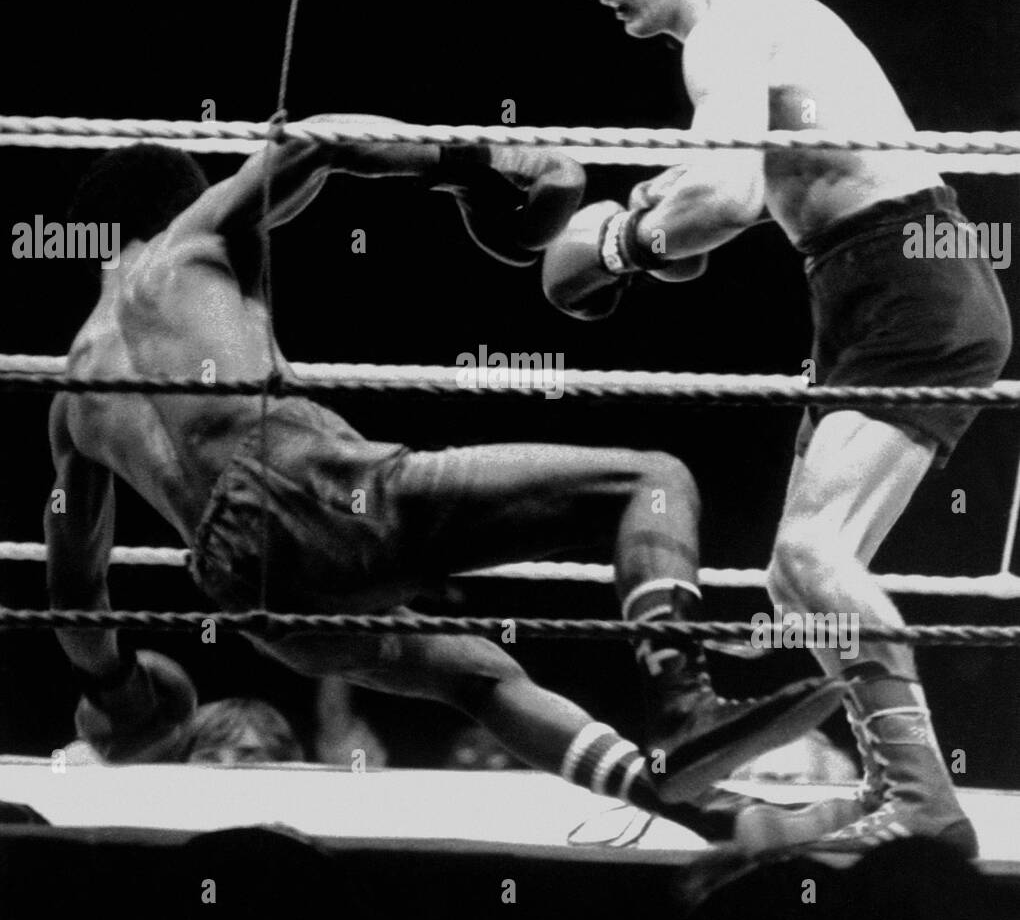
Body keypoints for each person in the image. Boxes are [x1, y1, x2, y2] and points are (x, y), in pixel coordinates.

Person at [45, 124, 841, 840]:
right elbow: (313, 145)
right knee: (654, 482)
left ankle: (688, 804)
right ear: (183, 200)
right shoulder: (189, 241)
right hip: (317, 490)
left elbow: (75, 588)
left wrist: (113, 690)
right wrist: (480, 164)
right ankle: (681, 706)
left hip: (247, 591)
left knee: (477, 678)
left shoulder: (73, 400)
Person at [544, 0, 1012, 854]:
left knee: (814, 552)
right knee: (795, 579)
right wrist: (657, 215)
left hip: (909, 280)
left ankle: (928, 810)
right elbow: (737, 188)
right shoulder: (754, 27)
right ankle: (903, 791)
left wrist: (622, 238)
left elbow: (726, 191)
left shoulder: (727, 29)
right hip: (875, 282)